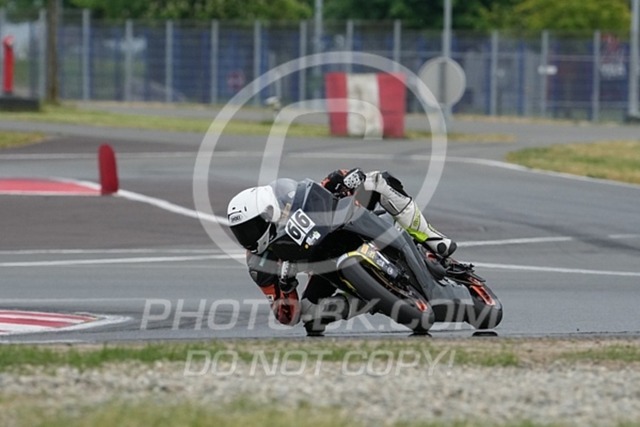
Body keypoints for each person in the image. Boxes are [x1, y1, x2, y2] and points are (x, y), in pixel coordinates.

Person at [226, 169, 456, 335]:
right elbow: (287, 316)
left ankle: (432, 238)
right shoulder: (259, 263)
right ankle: (373, 299)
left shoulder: (289, 201)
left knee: (377, 180)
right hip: (325, 268)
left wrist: (347, 179)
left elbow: (327, 183)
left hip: (348, 225)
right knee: (311, 317)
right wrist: (286, 286)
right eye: (240, 232)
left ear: (268, 213)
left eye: (251, 228)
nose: (247, 237)